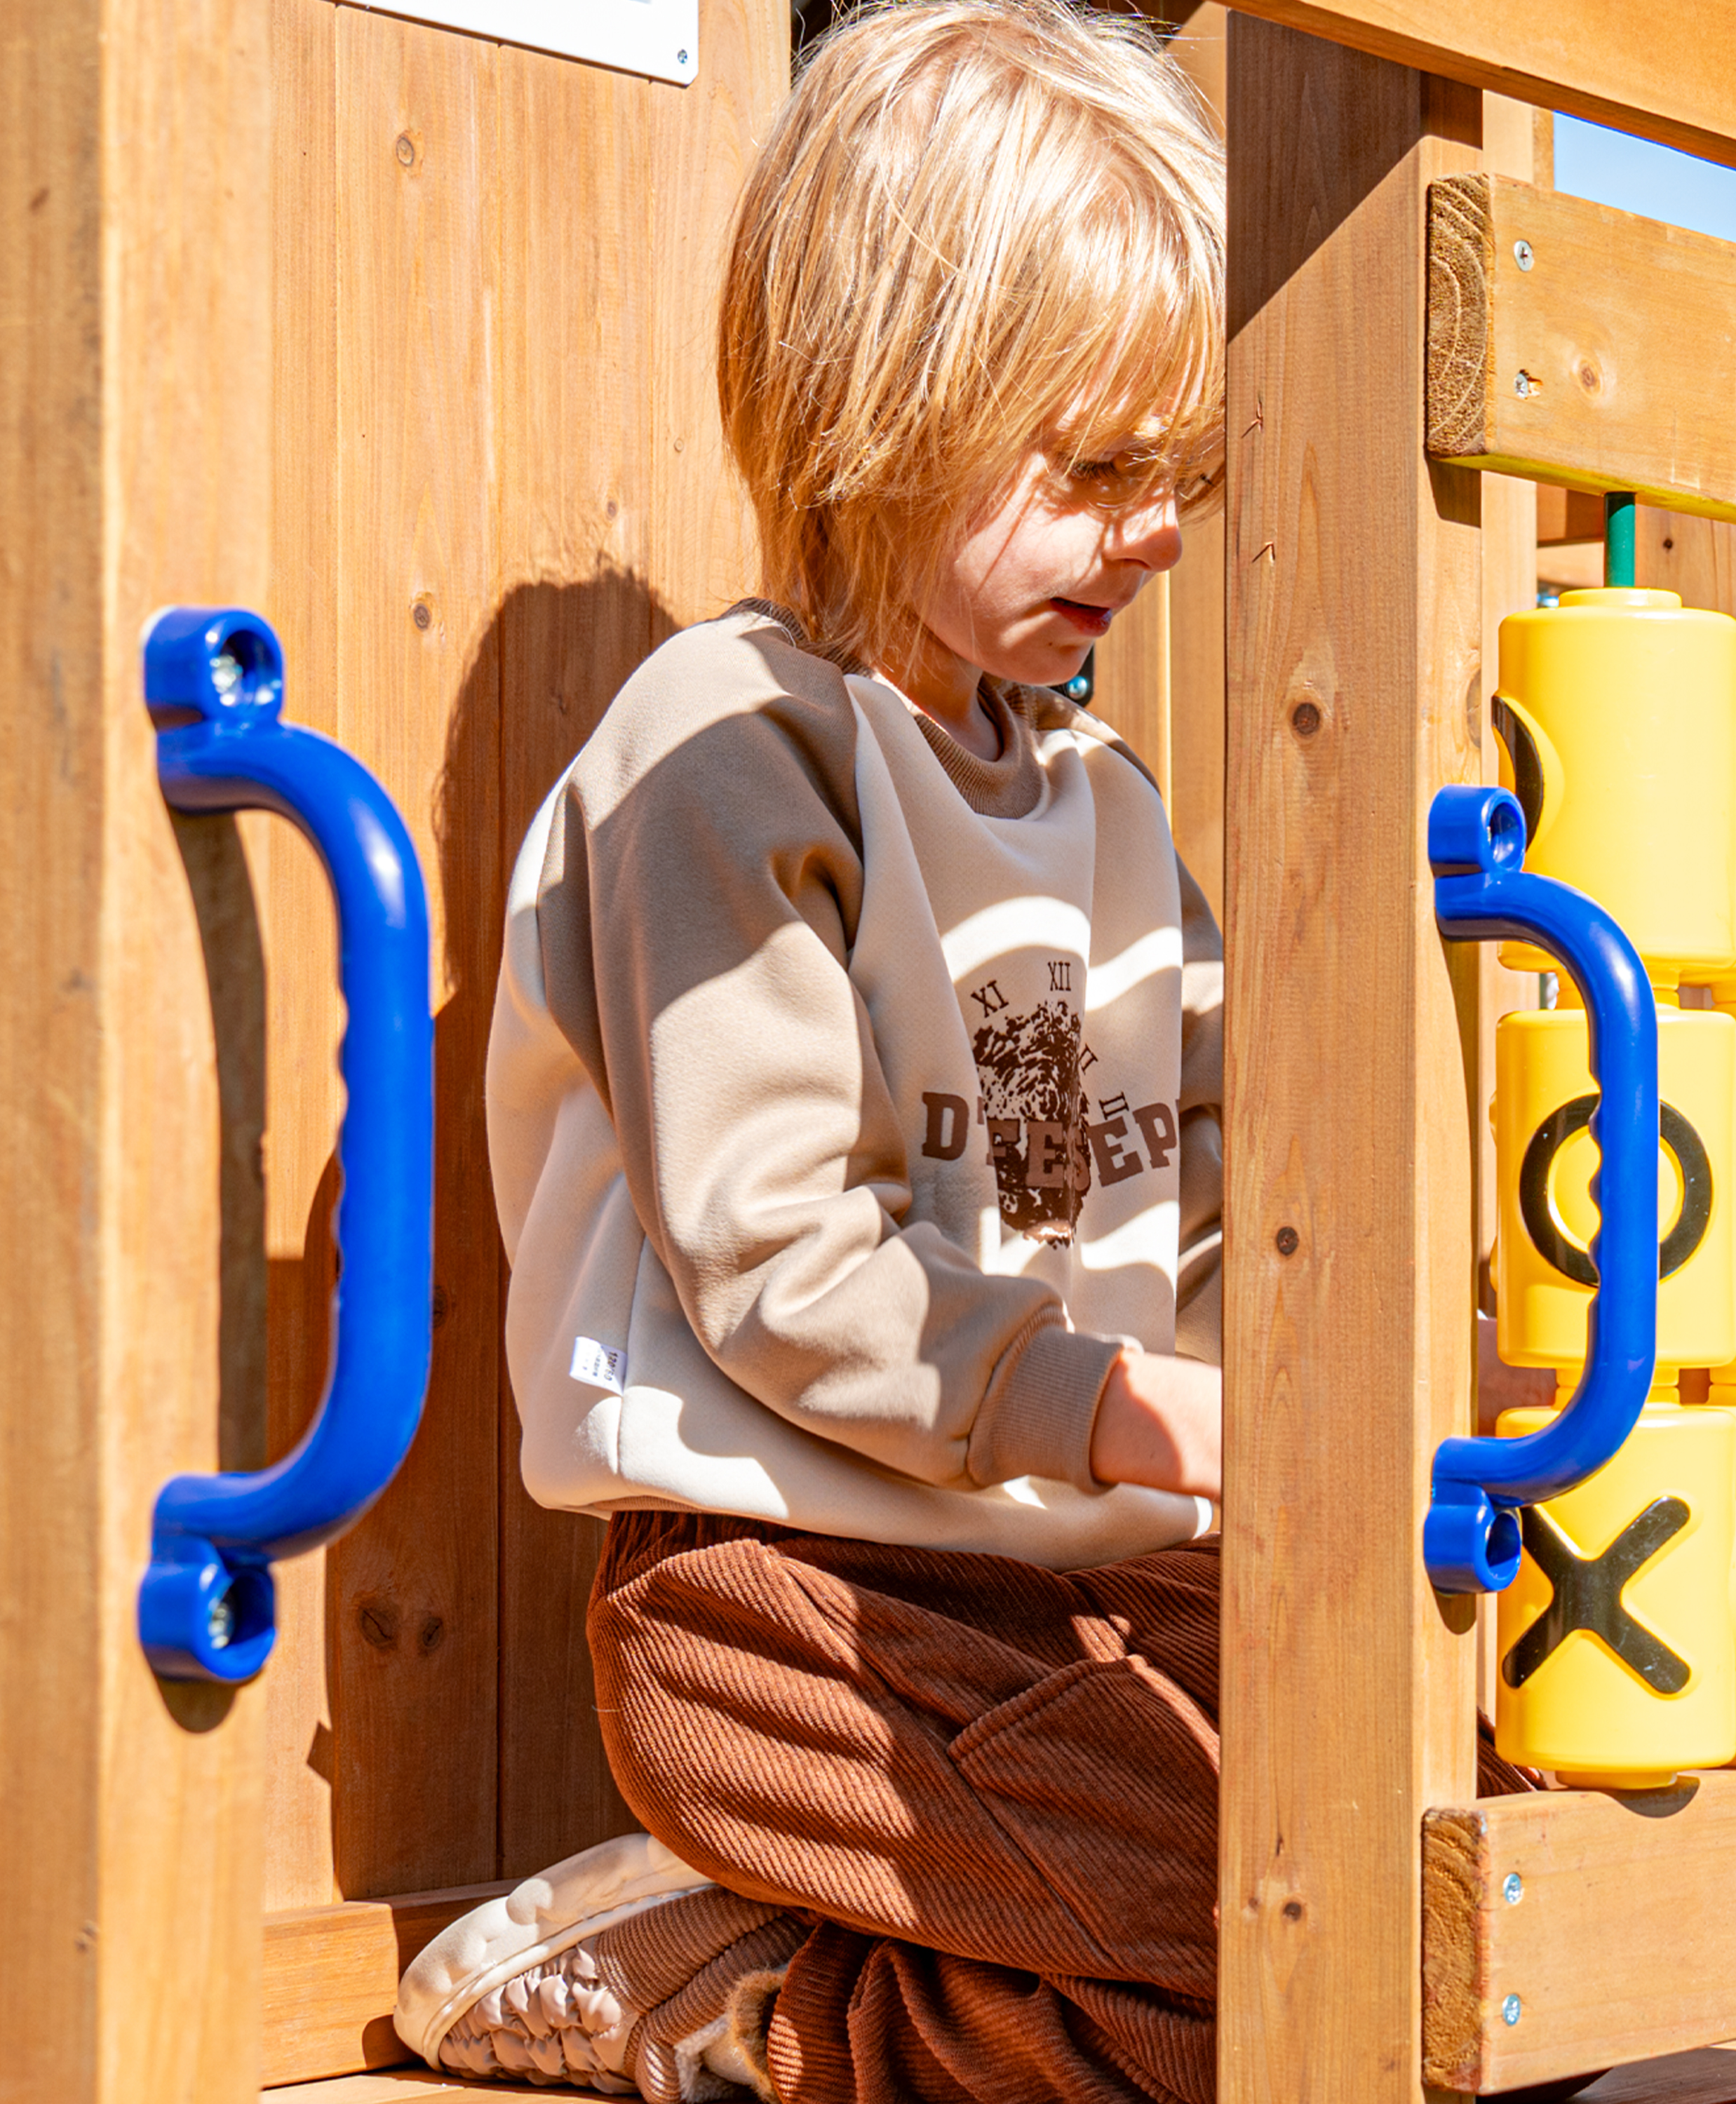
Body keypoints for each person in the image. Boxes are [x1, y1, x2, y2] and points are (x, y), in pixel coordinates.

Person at [398, 3, 1229, 2096]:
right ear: (887, 400)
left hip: (1072, 1576)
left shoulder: (1102, 791)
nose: (1154, 530)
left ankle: (839, 1951)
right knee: (1263, 1942)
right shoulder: (733, 750)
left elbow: (1220, 1173)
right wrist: (1114, 1406)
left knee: (1433, 1892)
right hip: (785, 1591)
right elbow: (779, 1266)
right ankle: (751, 2003)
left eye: (1177, 473)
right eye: (1100, 468)